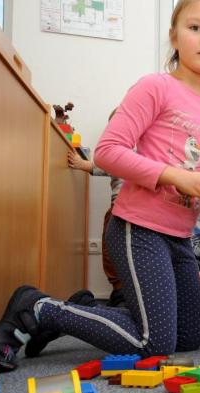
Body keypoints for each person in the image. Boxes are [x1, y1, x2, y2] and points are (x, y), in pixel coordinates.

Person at [0, 0, 200, 371]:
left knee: (189, 338)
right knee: (154, 343)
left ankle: (75, 311)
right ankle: (38, 307)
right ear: (174, 36)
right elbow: (108, 153)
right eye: (196, 28)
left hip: (179, 236)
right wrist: (174, 175)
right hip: (137, 228)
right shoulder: (155, 88)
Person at [66, 124, 125, 307]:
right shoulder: (118, 150)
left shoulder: (135, 150)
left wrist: (86, 164)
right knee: (112, 251)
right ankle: (120, 291)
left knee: (114, 250)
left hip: (125, 208)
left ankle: (122, 291)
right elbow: (107, 165)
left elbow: (109, 165)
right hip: (119, 208)